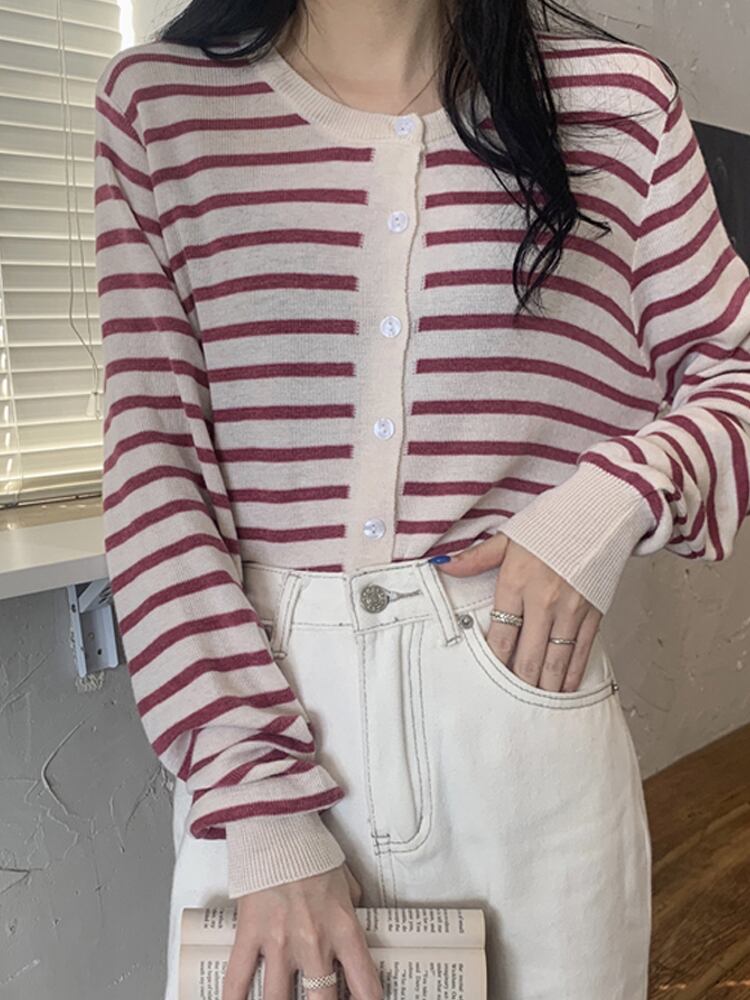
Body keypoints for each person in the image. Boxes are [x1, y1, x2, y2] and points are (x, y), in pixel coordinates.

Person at [92, 1, 750, 998]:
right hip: (263, 719)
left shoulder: (618, 108)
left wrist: (605, 503)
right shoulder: (161, 109)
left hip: (519, 703)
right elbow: (155, 469)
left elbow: (733, 374)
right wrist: (261, 808)